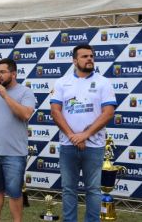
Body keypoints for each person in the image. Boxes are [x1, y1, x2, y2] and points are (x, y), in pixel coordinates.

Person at [50, 44, 116, 222]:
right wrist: (73, 136)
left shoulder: (103, 82)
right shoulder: (62, 82)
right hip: (67, 145)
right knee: (68, 189)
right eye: (85, 56)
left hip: (94, 146)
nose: (89, 59)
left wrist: (84, 135)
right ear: (74, 61)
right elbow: (55, 111)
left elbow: (108, 113)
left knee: (93, 189)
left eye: (91, 56)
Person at [0, 58, 35, 222]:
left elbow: (25, 114)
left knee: (15, 192)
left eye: (2, 72)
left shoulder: (25, 92)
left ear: (14, 73)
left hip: (15, 154)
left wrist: (5, 95)